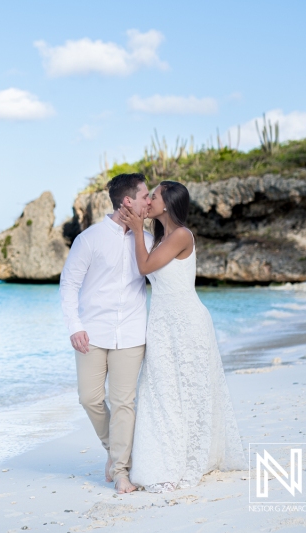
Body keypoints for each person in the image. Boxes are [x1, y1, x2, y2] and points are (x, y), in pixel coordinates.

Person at [117, 180, 246, 493]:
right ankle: (161, 456)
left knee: (185, 392)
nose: (148, 202)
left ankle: (185, 458)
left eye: (154, 197)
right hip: (162, 324)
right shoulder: (162, 238)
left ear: (168, 203)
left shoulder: (182, 235)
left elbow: (145, 266)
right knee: (161, 391)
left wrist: (136, 230)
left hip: (187, 323)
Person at [59, 173, 153, 494]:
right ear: (128, 201)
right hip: (92, 333)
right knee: (89, 398)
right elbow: (69, 285)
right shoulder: (89, 239)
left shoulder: (148, 239)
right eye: (144, 196)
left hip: (132, 333)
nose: (149, 201)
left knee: (124, 401)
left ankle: (122, 471)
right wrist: (75, 326)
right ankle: (115, 453)